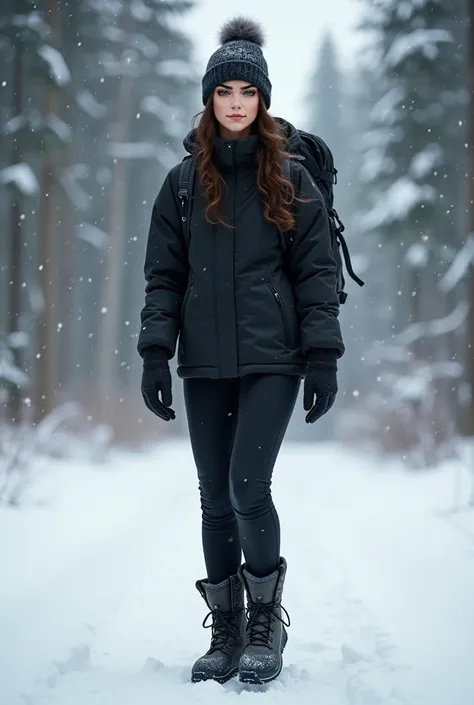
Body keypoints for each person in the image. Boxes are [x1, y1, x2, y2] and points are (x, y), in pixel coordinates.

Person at [137, 16, 344, 686]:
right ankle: (224, 631)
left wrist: (323, 359)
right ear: (209, 99)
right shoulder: (180, 184)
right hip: (203, 361)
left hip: (273, 359)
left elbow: (315, 275)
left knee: (247, 486)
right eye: (223, 90)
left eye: (246, 91)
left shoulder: (290, 178)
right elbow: (163, 276)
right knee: (213, 498)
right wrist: (152, 354)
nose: (234, 102)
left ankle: (263, 622)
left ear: (262, 100)